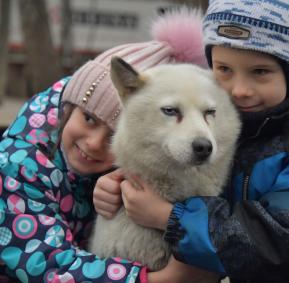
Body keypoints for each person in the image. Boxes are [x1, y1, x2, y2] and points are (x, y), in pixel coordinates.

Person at [95, 0, 289, 282]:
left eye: (260, 72)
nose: (240, 90)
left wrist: (171, 217)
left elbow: (283, 240)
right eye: (224, 70)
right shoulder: (245, 120)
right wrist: (116, 184)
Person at [0, 8, 209, 282]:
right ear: (69, 107)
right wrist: (159, 279)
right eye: (88, 118)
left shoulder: (128, 167)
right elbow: (46, 265)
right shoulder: (18, 167)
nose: (95, 143)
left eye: (114, 136)